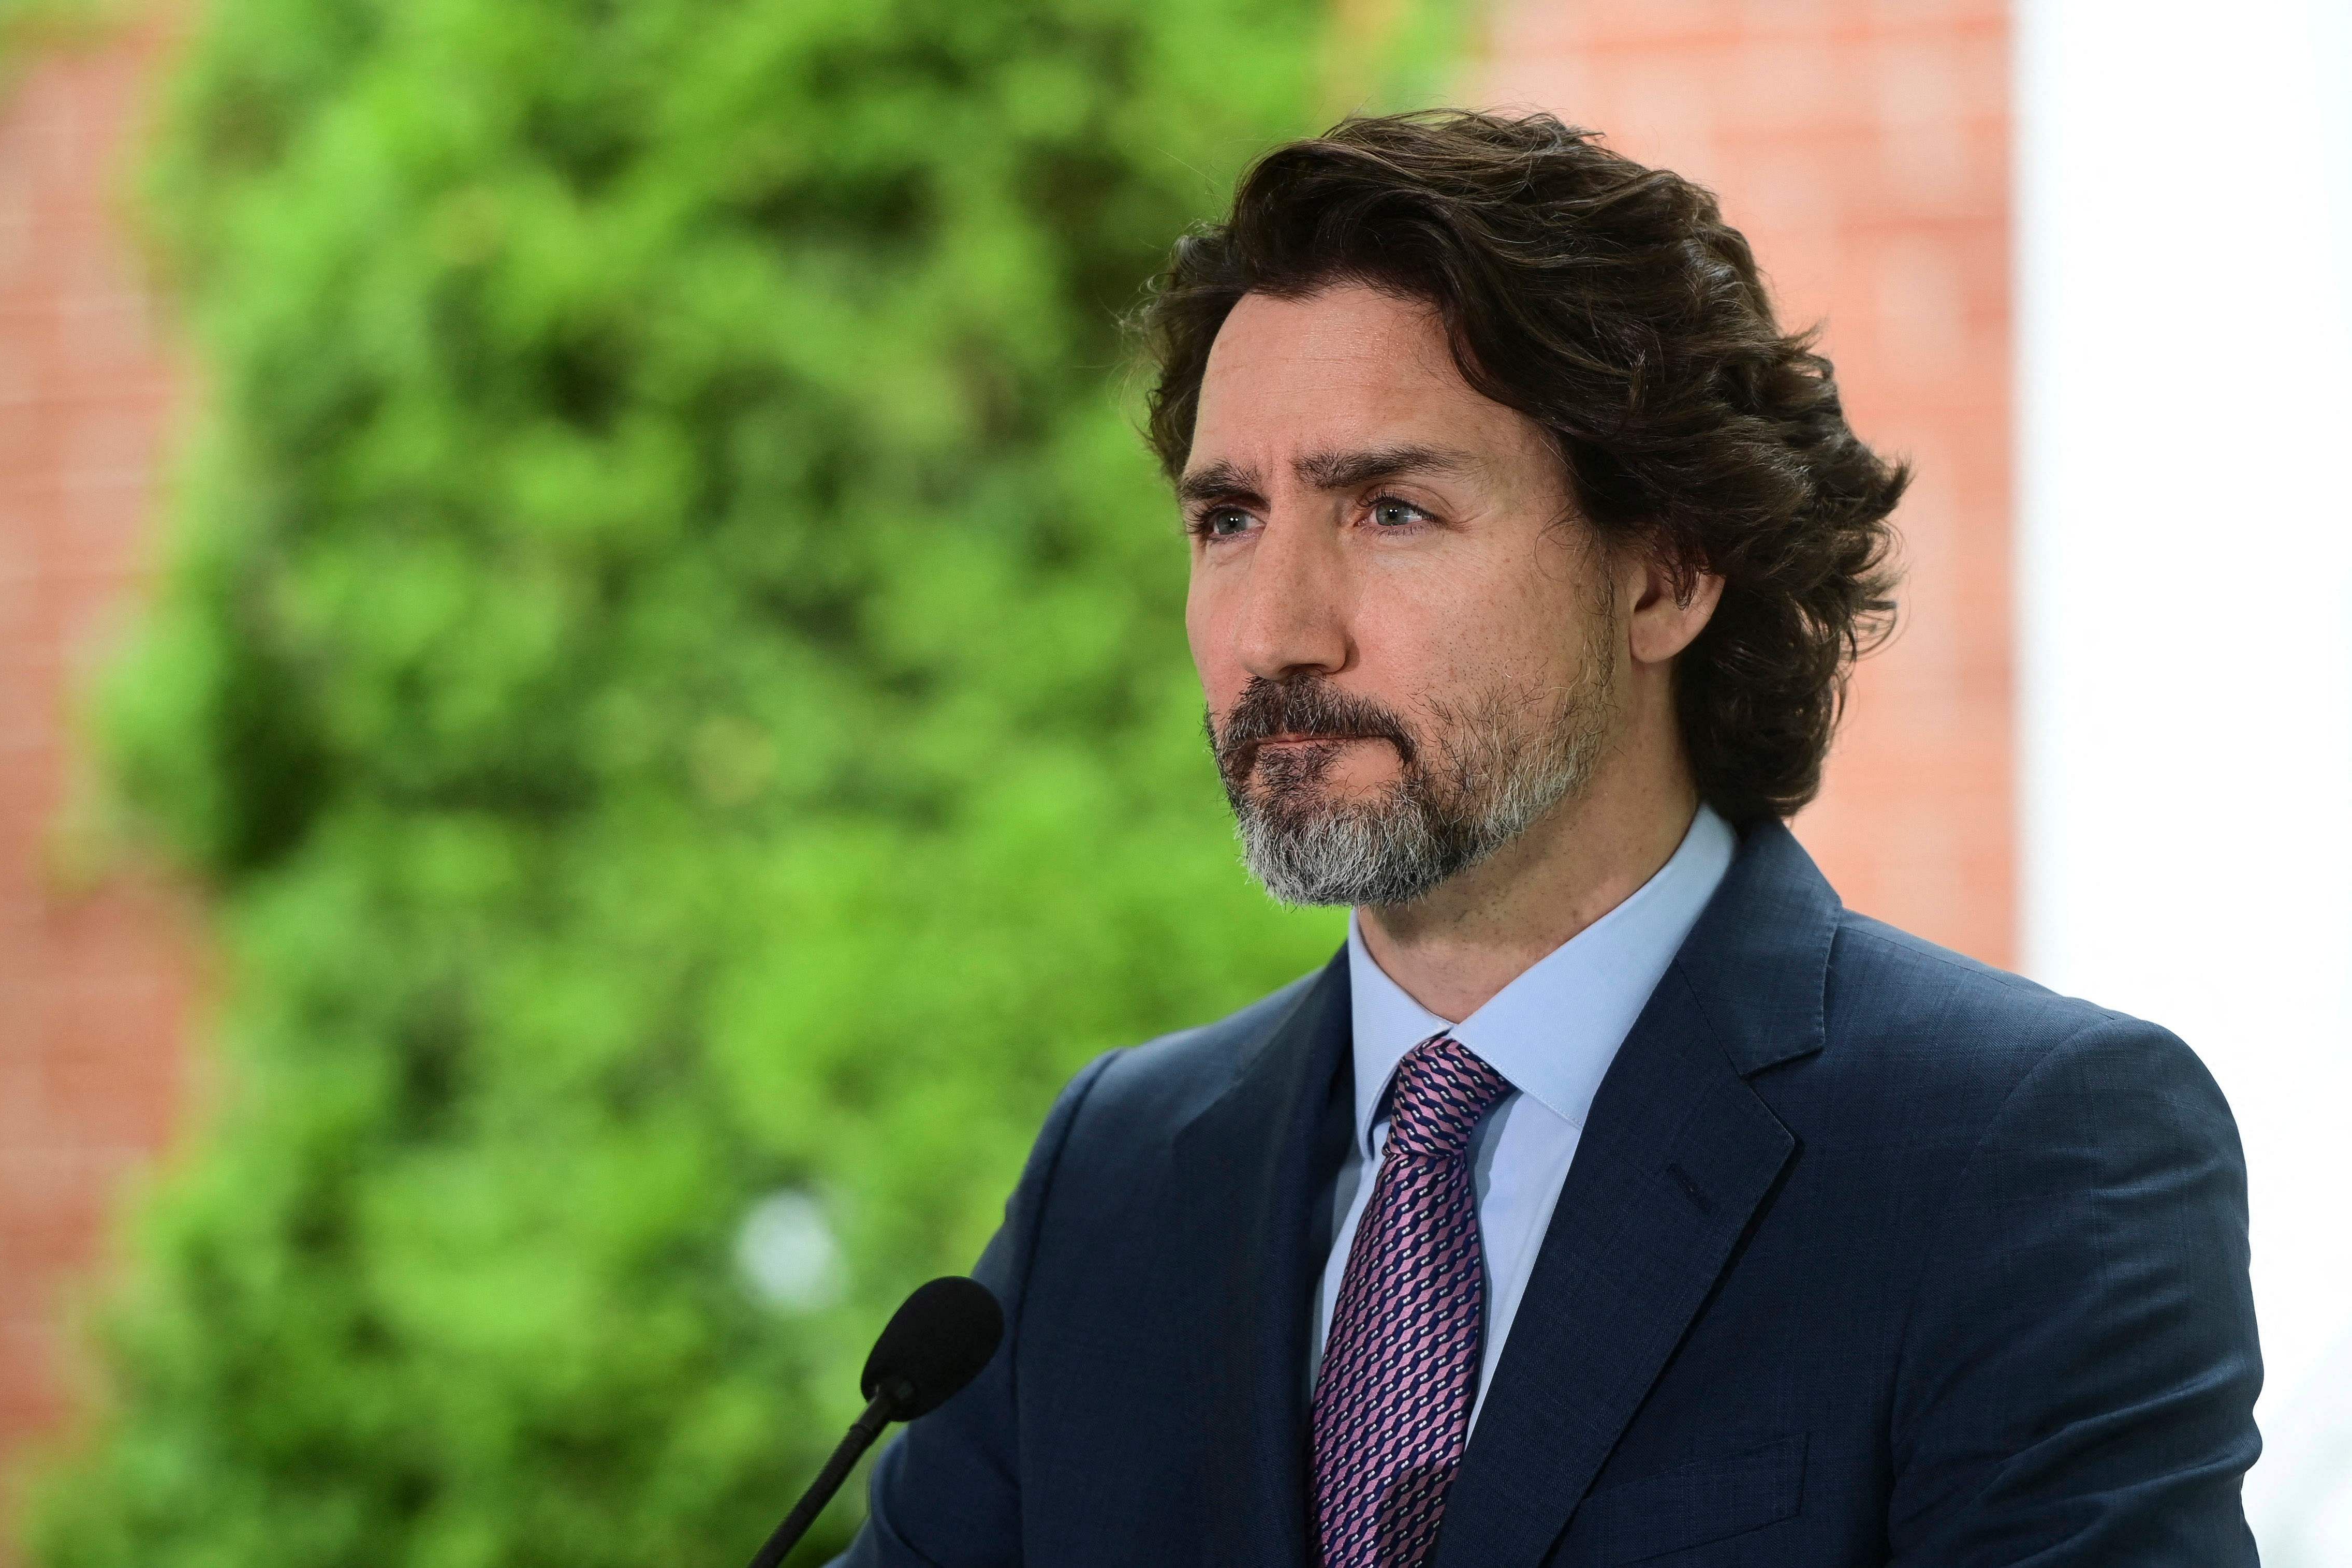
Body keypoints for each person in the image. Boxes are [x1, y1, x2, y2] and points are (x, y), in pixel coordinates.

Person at [835, 110, 2260, 1567]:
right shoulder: (1117, 1176)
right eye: (1228, 521)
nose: (1276, 631)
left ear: (1669, 574)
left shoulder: (2022, 1154)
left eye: (1392, 509)